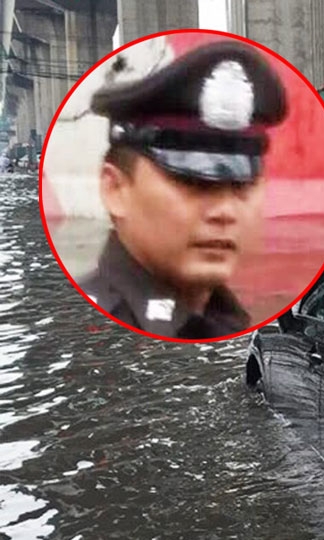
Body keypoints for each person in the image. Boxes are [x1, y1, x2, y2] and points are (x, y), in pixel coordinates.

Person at [76, 40, 287, 340]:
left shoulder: (228, 322)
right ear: (116, 190)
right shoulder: (87, 332)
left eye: (242, 185)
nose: (224, 212)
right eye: (193, 182)